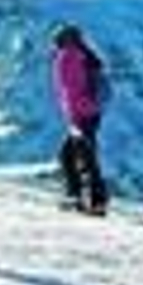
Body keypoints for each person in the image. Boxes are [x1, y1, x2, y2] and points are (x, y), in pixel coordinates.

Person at [51, 24, 110, 215]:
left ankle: (92, 200)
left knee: (79, 156)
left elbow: (71, 90)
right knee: (74, 155)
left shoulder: (69, 56)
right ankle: (83, 197)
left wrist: (80, 110)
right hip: (88, 114)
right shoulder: (86, 56)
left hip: (81, 115)